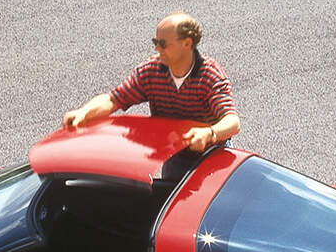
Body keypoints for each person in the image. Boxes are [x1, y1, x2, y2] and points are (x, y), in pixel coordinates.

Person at [62, 12, 240, 152]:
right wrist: (83, 112)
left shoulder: (209, 75)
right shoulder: (151, 72)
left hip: (212, 155)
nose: (156, 48)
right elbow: (113, 99)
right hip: (174, 153)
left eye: (163, 43)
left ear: (186, 44)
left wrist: (209, 133)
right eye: (156, 42)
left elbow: (232, 121)